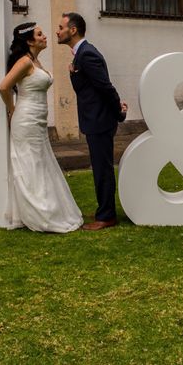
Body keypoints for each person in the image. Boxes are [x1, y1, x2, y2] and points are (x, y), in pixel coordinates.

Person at [0, 22, 83, 233]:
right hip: (25, 118)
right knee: (30, 164)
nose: (45, 36)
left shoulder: (36, 61)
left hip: (37, 119)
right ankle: (40, 212)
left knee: (39, 163)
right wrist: (12, 109)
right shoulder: (25, 62)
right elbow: (3, 86)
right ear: (29, 41)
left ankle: (46, 208)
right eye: (39, 34)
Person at [57, 12, 127, 231]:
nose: (57, 31)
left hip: (100, 121)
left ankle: (106, 216)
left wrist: (119, 112)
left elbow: (105, 87)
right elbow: (88, 89)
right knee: (99, 168)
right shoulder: (81, 55)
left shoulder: (87, 54)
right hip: (95, 120)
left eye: (61, 27)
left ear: (73, 30)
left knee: (102, 169)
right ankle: (104, 211)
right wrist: (74, 74)